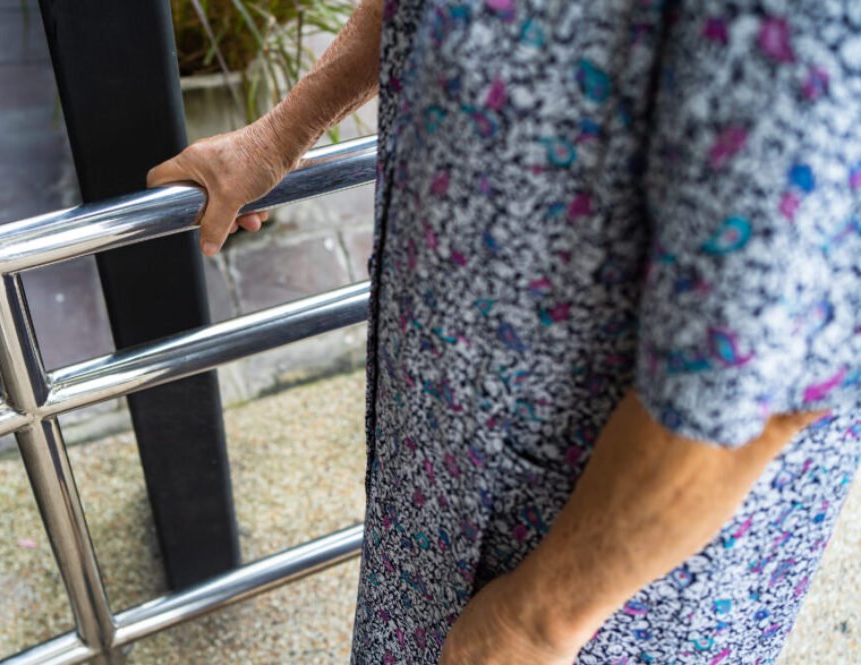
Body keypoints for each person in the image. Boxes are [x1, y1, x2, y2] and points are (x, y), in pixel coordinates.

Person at [148, 1, 861, 663]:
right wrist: (283, 131)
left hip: (608, 572)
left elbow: (765, 369)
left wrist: (537, 619)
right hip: (441, 476)